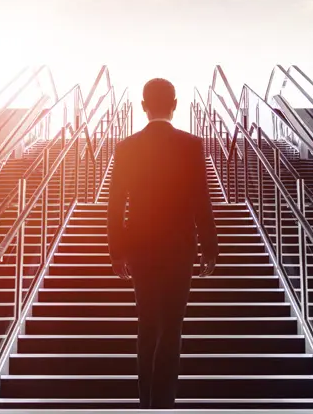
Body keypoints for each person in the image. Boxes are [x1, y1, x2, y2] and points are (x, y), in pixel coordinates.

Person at [107, 77, 219, 410]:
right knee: (172, 325)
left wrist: (117, 251)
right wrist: (210, 248)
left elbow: (116, 203)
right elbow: (202, 200)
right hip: (179, 248)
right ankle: (164, 403)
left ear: (143, 107)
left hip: (141, 248)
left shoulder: (126, 147)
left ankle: (146, 403)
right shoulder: (191, 145)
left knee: (147, 324)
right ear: (174, 105)